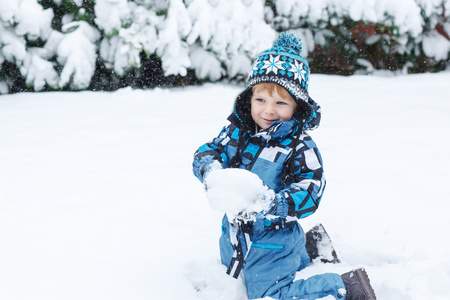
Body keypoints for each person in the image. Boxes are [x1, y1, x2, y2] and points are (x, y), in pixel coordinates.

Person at [192, 32, 376, 300]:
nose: (268, 111)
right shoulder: (237, 131)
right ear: (249, 97)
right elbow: (208, 151)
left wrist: (272, 202)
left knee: (268, 294)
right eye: (261, 100)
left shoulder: (300, 146)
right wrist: (211, 170)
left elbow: (311, 189)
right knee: (232, 279)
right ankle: (311, 247)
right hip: (234, 234)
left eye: (280, 102)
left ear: (297, 105)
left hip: (274, 240)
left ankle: (346, 285)